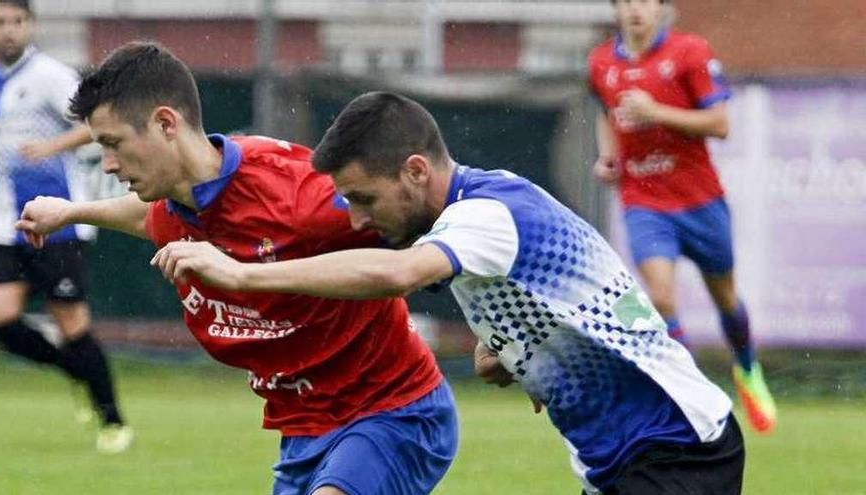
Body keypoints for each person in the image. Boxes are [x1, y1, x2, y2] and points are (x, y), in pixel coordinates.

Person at [151, 91, 745, 495]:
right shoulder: (482, 207)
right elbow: (580, 289)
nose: (355, 220)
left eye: (363, 199)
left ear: (414, 171)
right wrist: (518, 352)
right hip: (625, 456)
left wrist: (240, 273)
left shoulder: (483, 217)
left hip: (674, 444)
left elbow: (395, 275)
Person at [17, 43, 457, 495]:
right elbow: (144, 217)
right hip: (304, 435)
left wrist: (500, 326)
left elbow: (443, 217)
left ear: (166, 123)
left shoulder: (294, 194)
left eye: (113, 144)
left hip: (393, 412)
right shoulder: (173, 207)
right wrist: (72, 212)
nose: (107, 164)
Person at [586, 0, 776, 434]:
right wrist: (608, 158)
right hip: (644, 201)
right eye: (626, 2)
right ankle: (693, 393)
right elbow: (605, 113)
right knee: (662, 297)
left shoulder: (688, 53)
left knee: (726, 298)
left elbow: (720, 123)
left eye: (645, 1)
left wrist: (656, 113)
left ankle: (747, 370)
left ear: (661, 8)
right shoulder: (600, 62)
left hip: (700, 200)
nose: (635, 10)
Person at [0, 0, 131, 453]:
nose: (9, 30)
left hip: (58, 220)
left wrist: (53, 145)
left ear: (31, 26)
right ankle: (74, 369)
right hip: (4, 220)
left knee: (72, 322)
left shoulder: (49, 75)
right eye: (0, 22)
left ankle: (112, 419)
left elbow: (98, 122)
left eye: (17, 21)